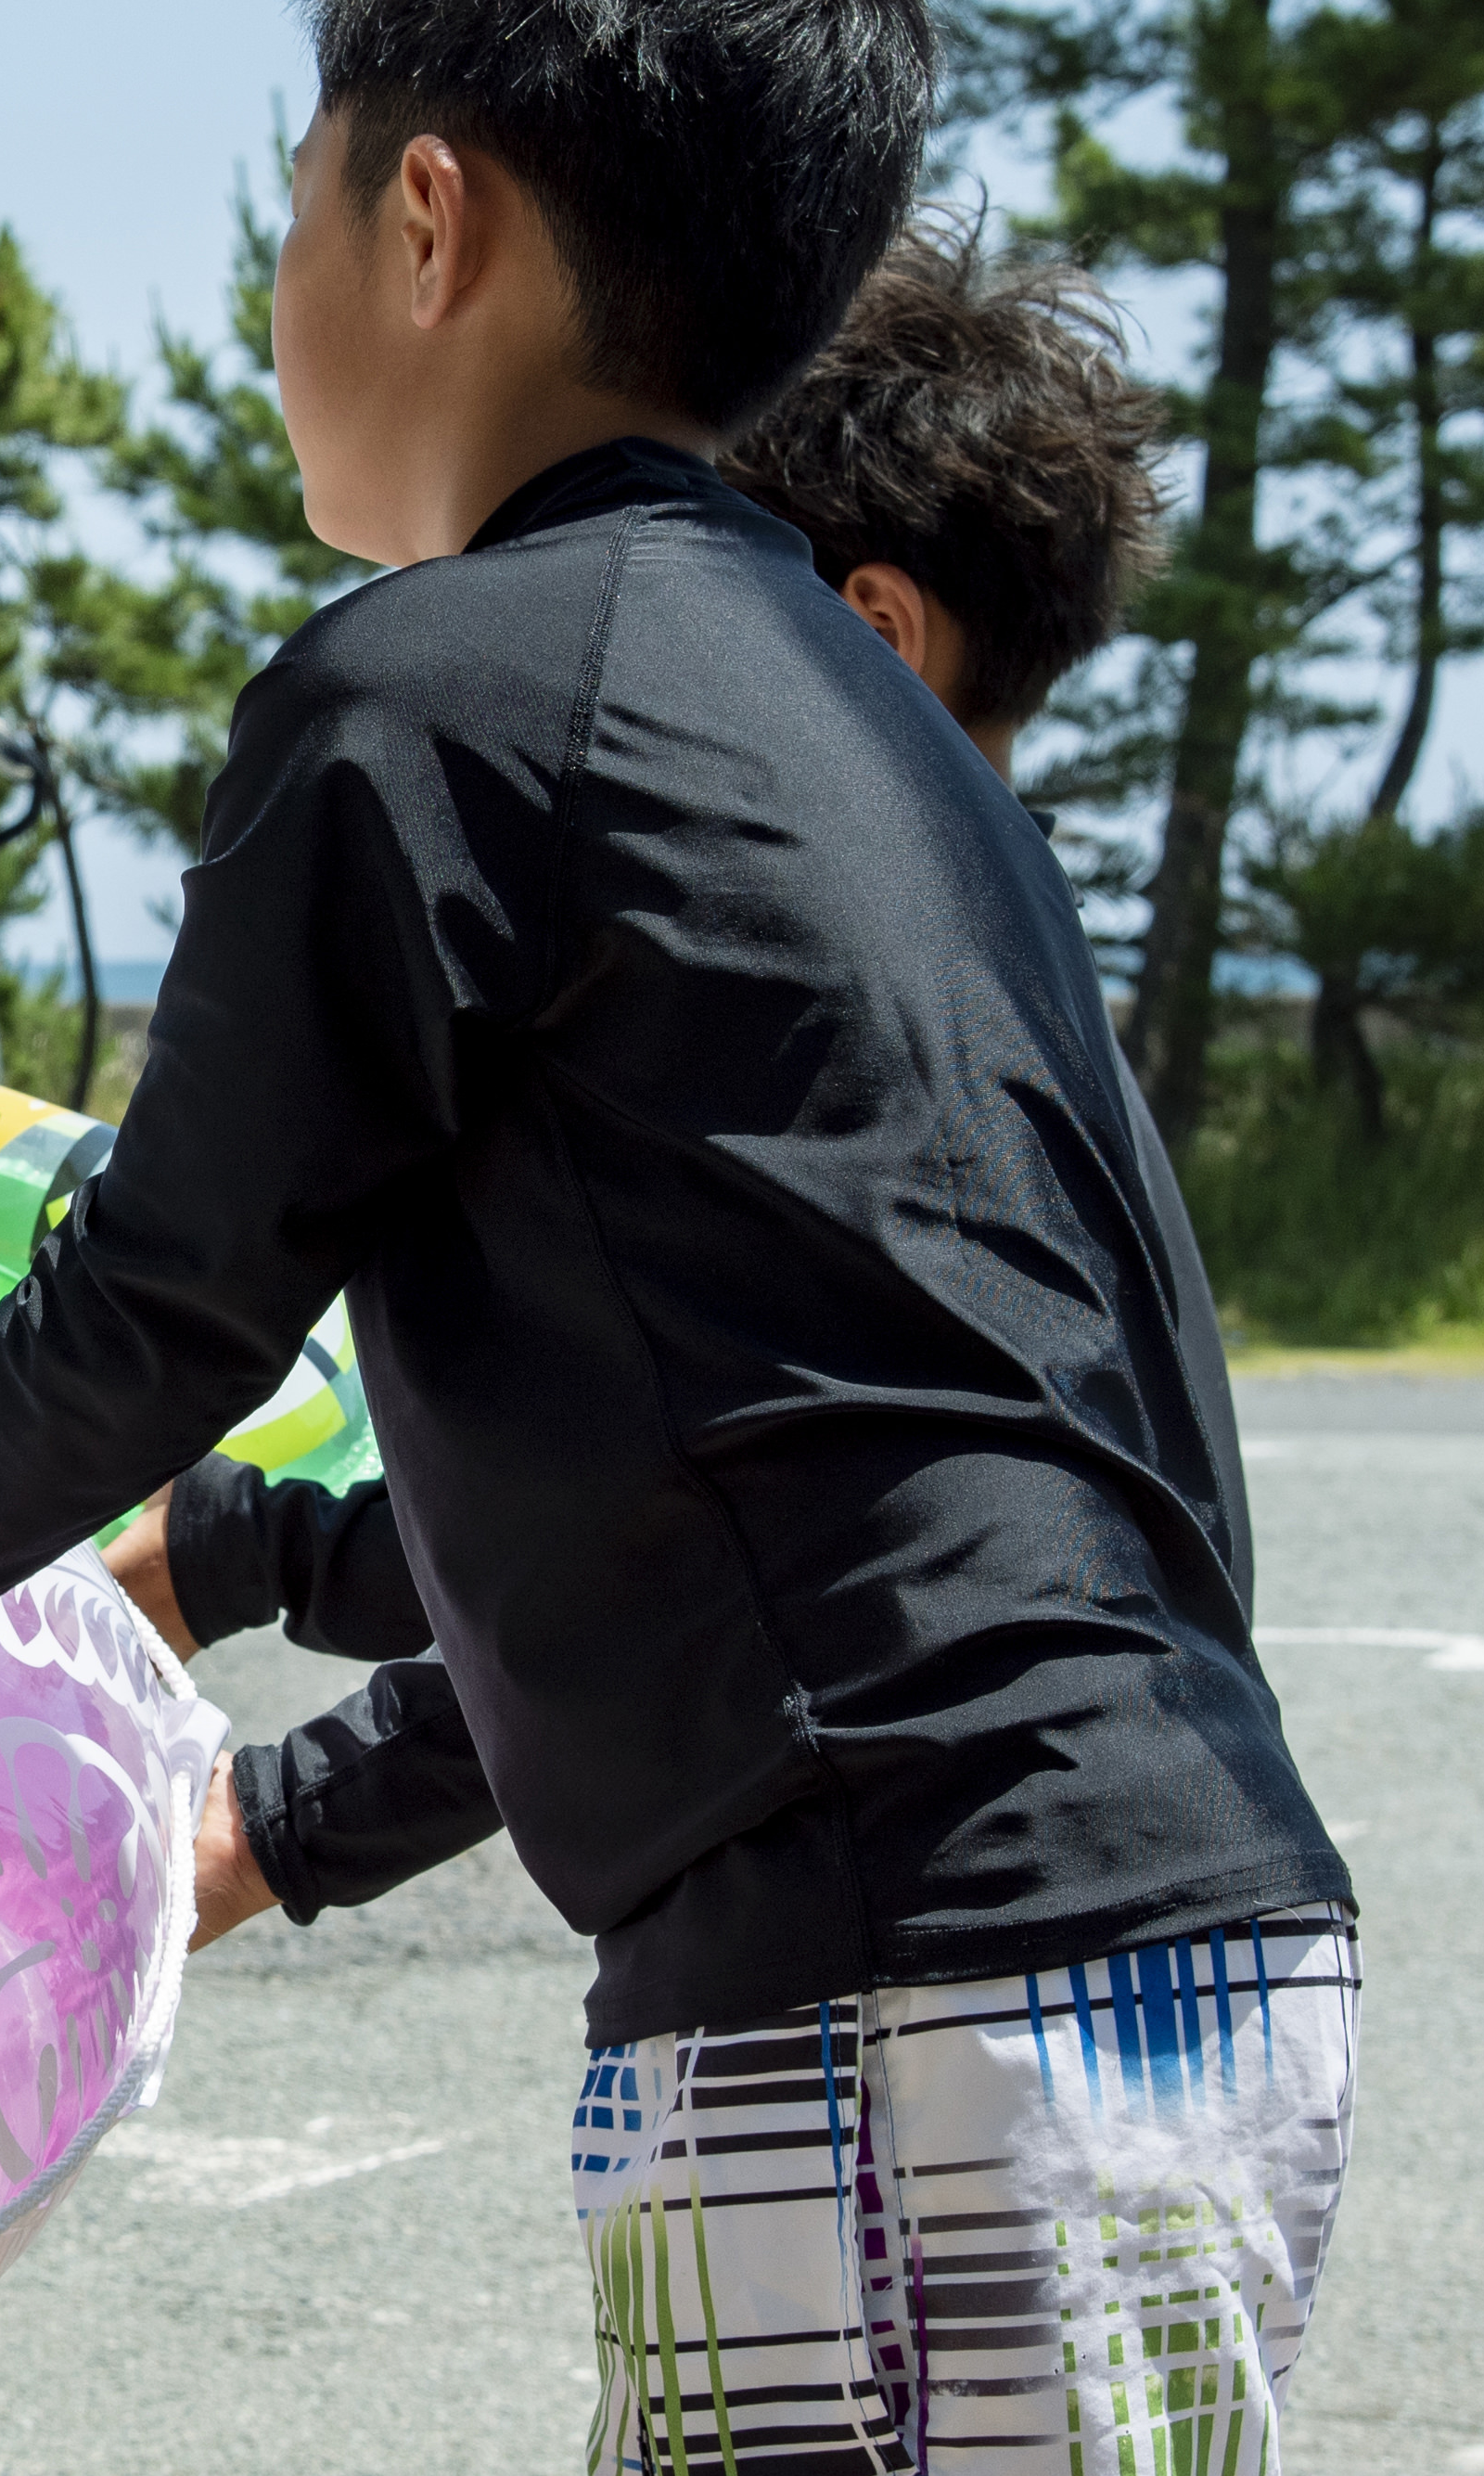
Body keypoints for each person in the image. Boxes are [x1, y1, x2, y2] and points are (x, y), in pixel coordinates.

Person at [0, 0, 1354, 2476]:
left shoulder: (436, 694)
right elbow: (774, 1455)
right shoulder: (866, 749)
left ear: (420, 214)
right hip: (1188, 1945)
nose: (269, 312)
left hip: (898, 1998)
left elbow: (161, 1301)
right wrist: (257, 1649)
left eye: (281, 222)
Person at [109, 214, 1170, 1683]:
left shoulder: (842, 1014)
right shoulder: (1008, 975)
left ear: (871, 630)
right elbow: (673, 1512)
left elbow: (168, 1298)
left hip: (968, 1893)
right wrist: (265, 1736)